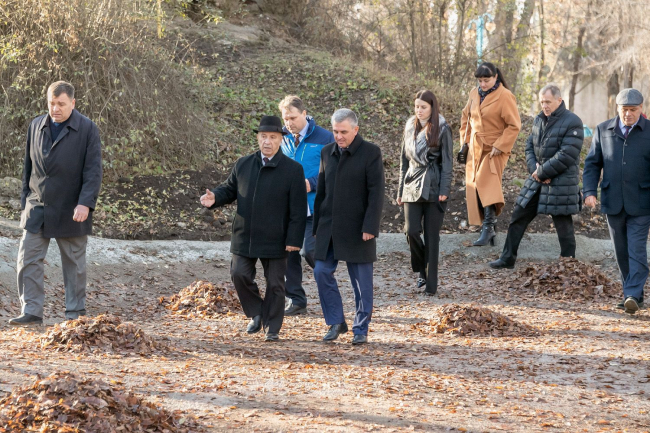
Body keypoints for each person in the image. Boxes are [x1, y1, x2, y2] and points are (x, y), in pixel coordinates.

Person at [200, 115, 307, 340]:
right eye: (263, 136)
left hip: (277, 238)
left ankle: (273, 328)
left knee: (276, 284)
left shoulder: (293, 170)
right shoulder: (243, 164)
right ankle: (257, 312)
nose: (267, 141)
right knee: (238, 274)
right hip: (245, 235)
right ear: (258, 138)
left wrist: (294, 239)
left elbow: (298, 209)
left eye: (272, 137)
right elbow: (229, 189)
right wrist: (215, 197)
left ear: (281, 139)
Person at [9, 81, 102, 326]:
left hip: (72, 209)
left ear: (73, 103)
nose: (55, 109)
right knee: (28, 259)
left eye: (61, 104)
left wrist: (85, 203)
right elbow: (28, 168)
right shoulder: (36, 125)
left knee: (74, 265)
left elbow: (93, 171)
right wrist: (25, 202)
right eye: (51, 103)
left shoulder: (88, 129)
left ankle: (75, 313)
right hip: (37, 206)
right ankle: (31, 311)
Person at [489, 84, 584, 269]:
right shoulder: (539, 119)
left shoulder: (573, 122)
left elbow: (567, 154)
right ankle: (507, 259)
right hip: (537, 180)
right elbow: (529, 147)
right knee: (518, 216)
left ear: (559, 100)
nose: (544, 106)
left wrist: (542, 172)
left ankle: (569, 267)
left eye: (548, 102)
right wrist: (536, 170)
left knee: (564, 227)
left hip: (561, 183)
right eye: (541, 102)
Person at [313, 108, 384, 345]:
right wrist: (317, 226)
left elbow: (376, 193)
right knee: (321, 271)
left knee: (362, 283)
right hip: (329, 227)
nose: (338, 136)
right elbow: (321, 192)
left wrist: (370, 226)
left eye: (343, 132)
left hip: (359, 228)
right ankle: (336, 321)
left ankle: (361, 328)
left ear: (356, 130)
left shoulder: (371, 153)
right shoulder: (326, 152)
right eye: (335, 131)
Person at [583, 88, 650, 315]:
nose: (628, 114)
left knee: (636, 249)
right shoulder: (603, 130)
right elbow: (592, 164)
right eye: (624, 110)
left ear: (641, 109)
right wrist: (589, 191)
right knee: (621, 252)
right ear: (617, 109)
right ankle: (634, 295)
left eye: (633, 110)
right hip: (613, 200)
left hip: (642, 202)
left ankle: (631, 294)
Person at [278, 95, 334, 316]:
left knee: (309, 250)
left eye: (293, 118)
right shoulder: (282, 138)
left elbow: (334, 171)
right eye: (285, 118)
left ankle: (327, 280)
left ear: (304, 113)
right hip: (288, 208)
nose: (289, 122)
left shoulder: (325, 137)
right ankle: (296, 300)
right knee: (288, 252)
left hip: (314, 207)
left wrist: (311, 183)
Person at [396, 90, 453, 295]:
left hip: (434, 185)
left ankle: (431, 286)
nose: (419, 111)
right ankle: (421, 268)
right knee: (411, 231)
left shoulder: (442, 128)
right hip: (411, 183)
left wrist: (444, 189)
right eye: (416, 106)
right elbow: (403, 161)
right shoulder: (409, 126)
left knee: (431, 237)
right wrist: (400, 190)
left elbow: (447, 162)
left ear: (432, 107)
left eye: (423, 107)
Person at [460, 62, 522, 246]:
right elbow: (466, 118)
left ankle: (488, 227)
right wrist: (465, 143)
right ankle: (489, 228)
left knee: (485, 180)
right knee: (475, 185)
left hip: (496, 148)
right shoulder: (474, 93)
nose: (483, 84)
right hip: (475, 146)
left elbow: (514, 125)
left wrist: (500, 145)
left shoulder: (505, 96)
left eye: (486, 80)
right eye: (480, 80)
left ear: (496, 77)